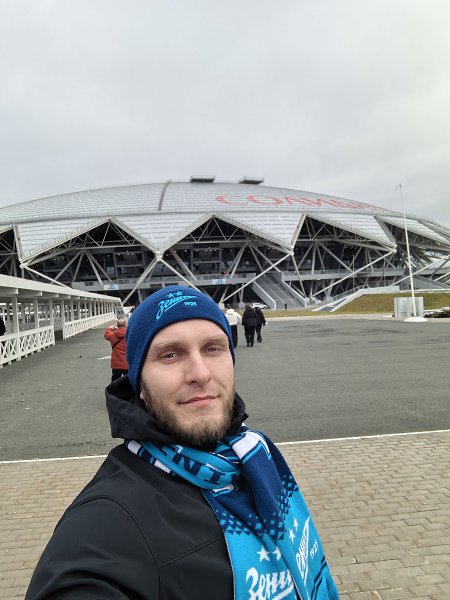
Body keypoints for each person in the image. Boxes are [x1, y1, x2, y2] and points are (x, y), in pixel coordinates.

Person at [26, 286, 339, 600]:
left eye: (213, 348)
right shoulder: (106, 523)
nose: (200, 374)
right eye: (170, 355)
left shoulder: (254, 459)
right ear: (139, 384)